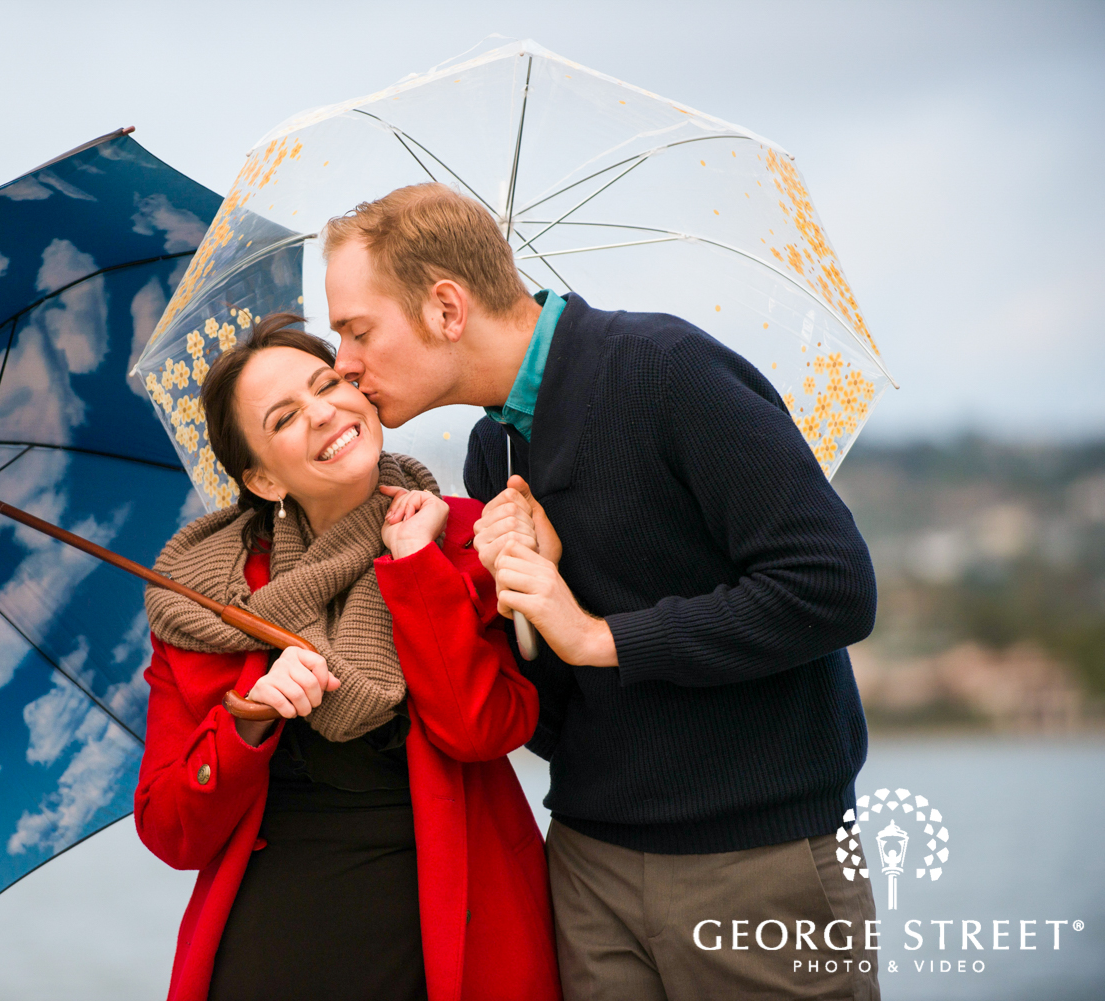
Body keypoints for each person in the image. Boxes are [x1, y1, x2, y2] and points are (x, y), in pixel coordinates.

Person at [324, 183, 882, 1000]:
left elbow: (832, 585)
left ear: (447, 307)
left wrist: (596, 635)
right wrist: (520, 612)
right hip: (586, 865)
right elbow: (555, 709)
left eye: (357, 330)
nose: (342, 363)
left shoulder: (665, 372)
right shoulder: (493, 452)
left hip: (757, 865)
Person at [134, 314, 561, 1001]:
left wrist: (418, 564)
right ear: (263, 479)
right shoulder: (207, 598)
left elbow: (481, 729)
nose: (324, 411)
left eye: (327, 382)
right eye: (285, 417)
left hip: (453, 939)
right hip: (269, 951)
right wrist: (248, 721)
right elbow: (169, 830)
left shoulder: (465, 533)